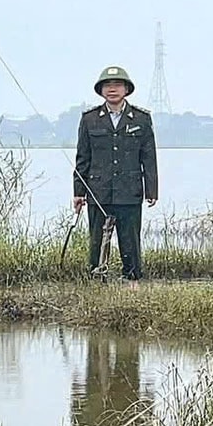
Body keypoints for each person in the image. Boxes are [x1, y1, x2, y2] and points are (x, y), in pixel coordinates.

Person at [72, 65, 158, 281]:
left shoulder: (141, 119)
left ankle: (133, 281)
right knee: (97, 242)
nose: (112, 89)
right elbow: (83, 158)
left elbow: (148, 157)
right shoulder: (89, 119)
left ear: (126, 89)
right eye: (108, 85)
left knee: (130, 242)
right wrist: (78, 192)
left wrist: (152, 190)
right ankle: (96, 280)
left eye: (117, 85)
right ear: (101, 90)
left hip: (130, 192)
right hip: (98, 191)